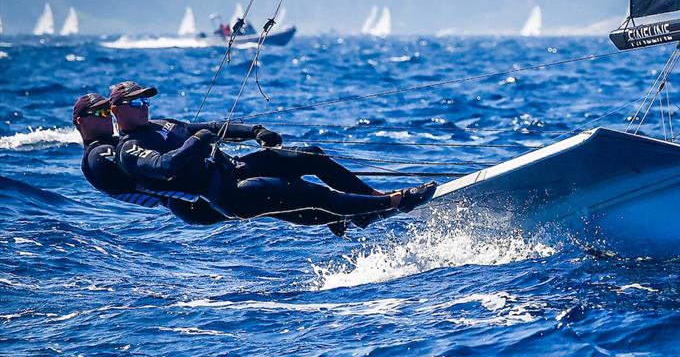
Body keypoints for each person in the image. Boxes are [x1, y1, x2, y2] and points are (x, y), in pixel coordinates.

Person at [109, 81, 436, 234]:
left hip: (233, 168)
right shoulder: (129, 148)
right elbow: (164, 168)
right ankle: (394, 203)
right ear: (116, 111)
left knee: (311, 156)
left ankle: (369, 202)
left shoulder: (163, 124)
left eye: (146, 101)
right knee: (311, 194)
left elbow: (212, 127)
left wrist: (255, 131)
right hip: (227, 193)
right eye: (136, 104)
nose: (144, 107)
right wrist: (198, 143)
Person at [73, 93, 229, 225]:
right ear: (80, 121)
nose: (107, 117)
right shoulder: (98, 155)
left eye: (108, 111)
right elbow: (151, 175)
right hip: (193, 204)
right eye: (99, 113)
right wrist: (193, 146)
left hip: (198, 195)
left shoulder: (120, 142)